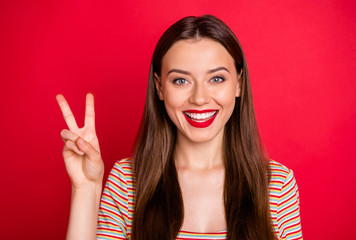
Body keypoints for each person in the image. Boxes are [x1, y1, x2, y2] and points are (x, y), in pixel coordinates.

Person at [56, 15, 302, 240]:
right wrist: (85, 189)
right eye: (181, 80)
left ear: (238, 84)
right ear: (160, 87)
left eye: (216, 79)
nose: (199, 98)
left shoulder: (277, 185)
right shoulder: (126, 181)